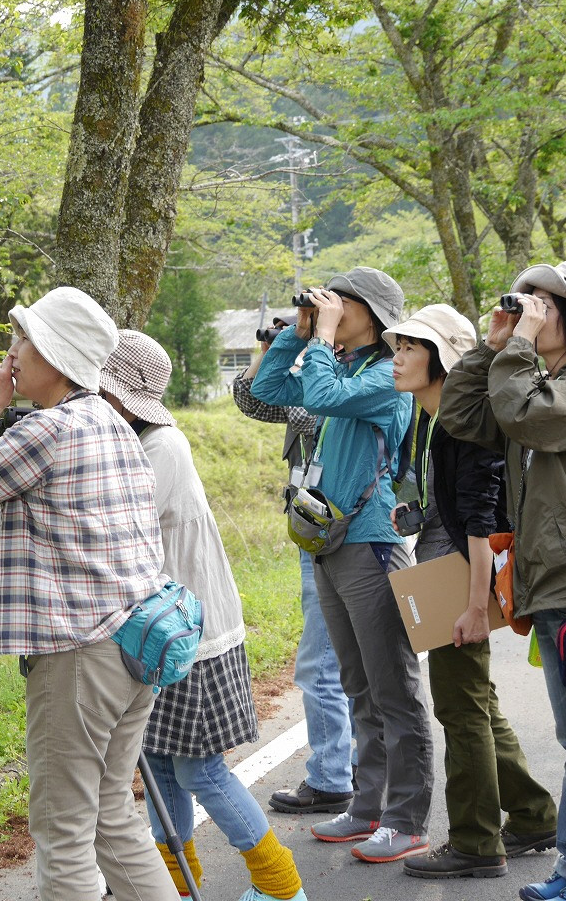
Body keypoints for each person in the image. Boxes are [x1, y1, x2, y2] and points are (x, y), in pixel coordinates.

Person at [0, 287, 179, 901]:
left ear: (54, 356)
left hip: (78, 655)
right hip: (135, 641)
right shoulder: (112, 424)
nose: (10, 353)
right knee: (113, 816)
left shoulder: (49, 430)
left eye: (21, 340)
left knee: (63, 831)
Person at [441, 262, 566, 901]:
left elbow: (525, 416)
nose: (529, 310)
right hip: (549, 589)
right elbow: (464, 415)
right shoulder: (533, 378)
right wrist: (491, 346)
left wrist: (517, 351)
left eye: (545, 304)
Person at [102, 330, 306, 901]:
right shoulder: (139, 439)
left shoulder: (159, 446)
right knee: (162, 768)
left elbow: (116, 526)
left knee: (201, 771)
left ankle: (280, 885)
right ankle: (176, 883)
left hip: (193, 635)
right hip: (159, 634)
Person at [250, 266, 434, 864]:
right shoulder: (347, 366)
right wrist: (300, 333)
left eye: (339, 302)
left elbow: (323, 396)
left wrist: (323, 338)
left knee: (393, 688)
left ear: (373, 315)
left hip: (372, 541)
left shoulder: (386, 375)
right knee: (357, 683)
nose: (328, 306)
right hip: (331, 541)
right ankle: (368, 806)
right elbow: (270, 390)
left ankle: (407, 819)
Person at [381, 304, 558, 880]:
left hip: (462, 580)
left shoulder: (465, 422)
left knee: (460, 710)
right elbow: (456, 506)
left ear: (441, 360)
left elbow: (484, 516)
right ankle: (532, 815)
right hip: (449, 570)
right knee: (476, 703)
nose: (397, 356)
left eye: (411, 346)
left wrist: (474, 606)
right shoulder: (432, 420)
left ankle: (476, 843)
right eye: (398, 344)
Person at [233, 330, 356, 816]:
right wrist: (274, 347)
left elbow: (311, 408)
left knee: (325, 661)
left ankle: (332, 777)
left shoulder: (356, 376)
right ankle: (351, 772)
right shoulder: (323, 372)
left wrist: (312, 349)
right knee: (338, 659)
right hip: (319, 532)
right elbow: (251, 398)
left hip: (346, 533)